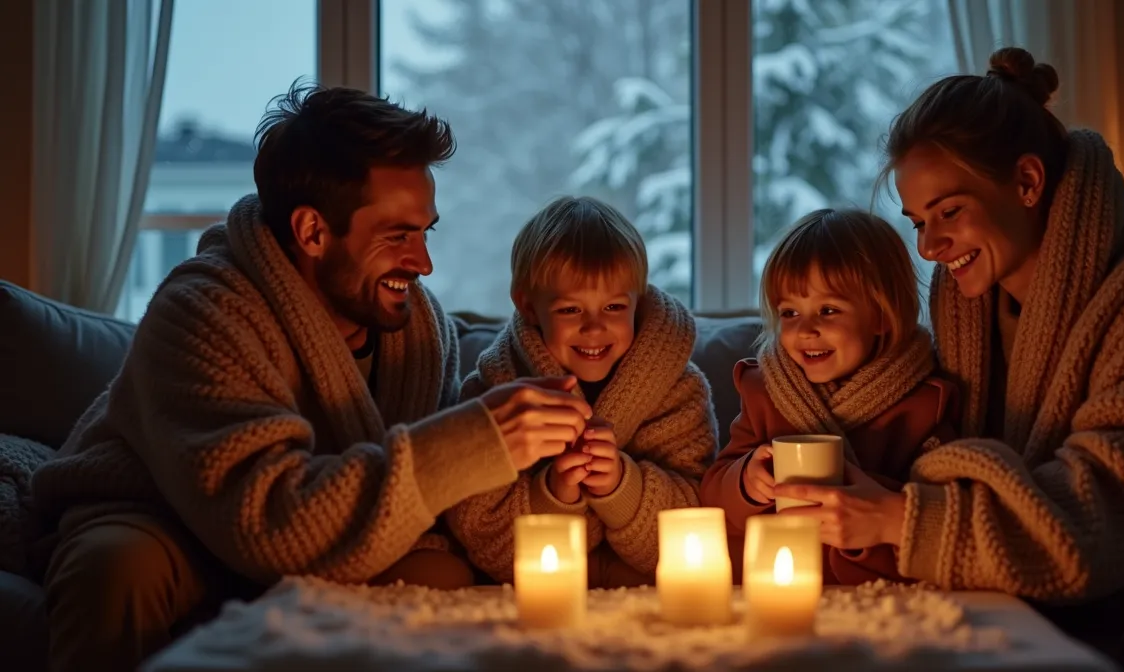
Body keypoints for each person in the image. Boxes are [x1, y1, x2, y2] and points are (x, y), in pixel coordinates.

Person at [764, 46, 1124, 671]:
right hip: (1030, 534)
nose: (931, 246)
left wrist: (902, 518)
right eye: (917, 222)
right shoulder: (966, 296)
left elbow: (1115, 500)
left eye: (949, 213)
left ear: (1026, 183)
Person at [28, 82, 594, 672]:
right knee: (116, 569)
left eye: (426, 232)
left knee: (442, 574)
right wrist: (477, 439)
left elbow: (434, 511)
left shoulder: (422, 332)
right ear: (313, 233)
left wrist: (554, 483)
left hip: (327, 533)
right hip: (166, 518)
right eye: (398, 235)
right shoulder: (202, 312)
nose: (423, 263)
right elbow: (266, 522)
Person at [447, 196, 717, 588]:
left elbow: (700, 524)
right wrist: (555, 495)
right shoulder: (493, 391)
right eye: (571, 311)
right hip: (538, 597)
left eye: (612, 308)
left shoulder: (679, 391)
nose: (594, 328)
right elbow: (477, 531)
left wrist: (622, 485)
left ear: (636, 303)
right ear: (527, 306)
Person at [699, 208, 956, 585]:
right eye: (789, 312)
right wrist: (746, 481)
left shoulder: (924, 403)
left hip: (871, 588)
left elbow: (930, 511)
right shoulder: (764, 389)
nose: (806, 329)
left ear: (882, 316)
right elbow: (714, 491)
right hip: (774, 582)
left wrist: (867, 507)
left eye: (828, 310)